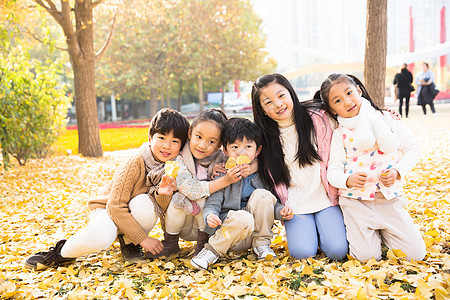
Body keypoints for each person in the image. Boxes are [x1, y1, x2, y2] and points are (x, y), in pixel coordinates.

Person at [25, 108, 190, 270]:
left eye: (175, 141)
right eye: (161, 138)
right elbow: (115, 205)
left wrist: (161, 194)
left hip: (130, 213)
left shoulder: (171, 168)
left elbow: (159, 208)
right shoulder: (136, 162)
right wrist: (144, 239)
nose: (167, 146)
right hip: (107, 209)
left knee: (147, 205)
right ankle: (61, 252)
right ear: (149, 139)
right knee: (103, 237)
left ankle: (129, 242)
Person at [319, 73, 426, 262]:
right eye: (338, 100)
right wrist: (347, 180)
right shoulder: (339, 134)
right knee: (366, 257)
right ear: (332, 109)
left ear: (359, 91)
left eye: (350, 93)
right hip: (356, 203)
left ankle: (389, 233)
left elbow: (412, 149)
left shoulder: (386, 119)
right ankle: (371, 237)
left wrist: (397, 171)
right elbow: (333, 171)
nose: (347, 101)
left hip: (389, 199)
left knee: (415, 255)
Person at [251, 73, 348, 261]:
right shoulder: (263, 137)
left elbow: (350, 115)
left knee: (337, 251)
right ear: (262, 109)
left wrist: (382, 114)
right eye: (268, 102)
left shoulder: (318, 118)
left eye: (281, 95)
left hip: (326, 198)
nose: (278, 104)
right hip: (295, 204)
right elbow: (238, 148)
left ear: (290, 93)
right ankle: (313, 232)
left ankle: (323, 231)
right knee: (302, 253)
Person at [190, 118, 293, 270]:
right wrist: (209, 215)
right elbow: (213, 203)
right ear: (225, 150)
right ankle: (211, 251)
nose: (241, 152)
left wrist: (280, 211)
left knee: (263, 195)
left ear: (257, 151)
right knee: (242, 217)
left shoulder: (261, 174)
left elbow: (270, 203)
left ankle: (262, 246)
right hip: (229, 234)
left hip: (254, 236)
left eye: (248, 146)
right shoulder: (223, 174)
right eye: (235, 146)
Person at [154, 109, 245, 258]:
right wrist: (225, 180)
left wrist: (219, 173)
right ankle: (170, 243)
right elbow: (192, 190)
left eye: (211, 141)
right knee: (180, 200)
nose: (202, 145)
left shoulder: (222, 161)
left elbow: (249, 163)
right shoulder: (179, 157)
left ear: (219, 145)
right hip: (181, 224)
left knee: (204, 200)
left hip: (207, 224)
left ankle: (203, 245)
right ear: (190, 133)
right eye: (198, 137)